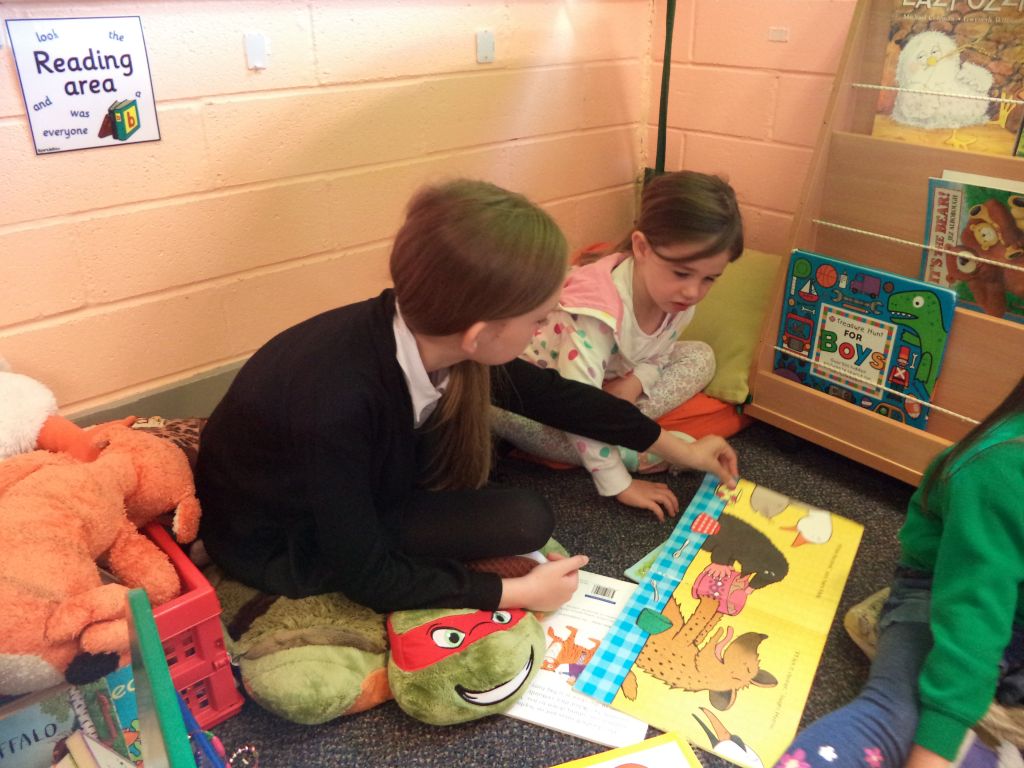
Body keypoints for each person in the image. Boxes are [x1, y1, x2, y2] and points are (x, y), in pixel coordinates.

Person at [195, 178, 739, 616]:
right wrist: (515, 594)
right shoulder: (340, 403)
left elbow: (557, 397)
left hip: (354, 481)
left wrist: (676, 446)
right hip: (283, 536)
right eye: (537, 320)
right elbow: (367, 575)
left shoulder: (434, 331)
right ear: (480, 335)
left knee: (518, 516)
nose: (544, 329)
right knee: (520, 519)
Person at [774, 372, 1024, 768]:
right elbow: (973, 614)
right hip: (947, 594)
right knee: (895, 713)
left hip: (1001, 611)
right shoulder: (1002, 468)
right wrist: (939, 740)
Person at [492, 171, 743, 520]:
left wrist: (635, 383)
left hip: (607, 386)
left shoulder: (680, 302)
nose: (693, 292)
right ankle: (631, 452)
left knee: (701, 356)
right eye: (682, 273)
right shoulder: (595, 316)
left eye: (710, 279)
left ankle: (628, 433)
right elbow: (576, 410)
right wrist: (621, 482)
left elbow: (659, 355)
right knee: (524, 426)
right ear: (641, 248)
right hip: (548, 401)